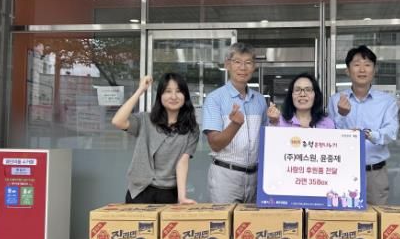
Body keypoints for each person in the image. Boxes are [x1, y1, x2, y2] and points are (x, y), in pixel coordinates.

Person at [112, 73, 199, 204]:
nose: (174, 96)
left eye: (178, 91)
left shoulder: (191, 128)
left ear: (185, 96)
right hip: (140, 191)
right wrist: (140, 90)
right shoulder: (145, 120)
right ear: (160, 96)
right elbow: (117, 121)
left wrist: (182, 197)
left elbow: (182, 161)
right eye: (168, 91)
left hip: (169, 192)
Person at [328, 45, 399, 205]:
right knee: (343, 216)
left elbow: (391, 132)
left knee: (376, 217)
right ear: (347, 70)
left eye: (367, 65)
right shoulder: (335, 100)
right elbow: (330, 136)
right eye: (356, 64)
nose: (362, 69)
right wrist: (342, 114)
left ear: (374, 70)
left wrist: (368, 134)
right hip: (342, 171)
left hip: (375, 173)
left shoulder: (387, 101)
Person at [202, 42, 267, 203]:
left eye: (248, 62)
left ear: (254, 67)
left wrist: (275, 122)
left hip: (255, 177)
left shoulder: (260, 100)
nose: (242, 67)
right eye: (237, 62)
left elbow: (266, 140)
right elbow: (215, 144)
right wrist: (235, 124)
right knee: (224, 219)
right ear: (227, 65)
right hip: (225, 175)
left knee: (251, 220)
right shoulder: (214, 99)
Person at [267, 72, 335, 128]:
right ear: (291, 95)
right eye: (297, 90)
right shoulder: (279, 122)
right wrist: (274, 123)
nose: (302, 94)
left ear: (315, 95)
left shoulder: (327, 124)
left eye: (308, 90)